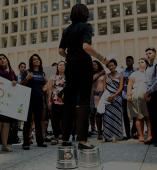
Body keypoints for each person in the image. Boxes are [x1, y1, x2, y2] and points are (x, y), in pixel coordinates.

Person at [59, 4, 107, 149]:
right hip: (83, 66)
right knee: (84, 102)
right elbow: (86, 46)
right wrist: (102, 58)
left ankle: (65, 139)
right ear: (84, 14)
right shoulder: (86, 27)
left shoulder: (67, 30)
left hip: (70, 66)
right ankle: (82, 140)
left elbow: (61, 51)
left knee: (69, 102)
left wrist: (70, 57)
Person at [21, 54, 47, 150]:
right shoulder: (27, 72)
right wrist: (27, 78)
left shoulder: (42, 73)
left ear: (40, 61)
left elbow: (44, 88)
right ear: (31, 62)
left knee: (38, 121)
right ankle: (26, 142)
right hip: (29, 99)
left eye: (37, 59)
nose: (36, 60)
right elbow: (21, 85)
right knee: (27, 121)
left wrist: (46, 83)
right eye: (34, 59)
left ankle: (40, 141)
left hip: (39, 99)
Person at [127, 58, 152, 143]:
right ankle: (140, 135)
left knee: (148, 117)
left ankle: (149, 135)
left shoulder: (149, 73)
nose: (140, 63)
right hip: (136, 98)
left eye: (142, 62)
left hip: (146, 98)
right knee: (138, 117)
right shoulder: (134, 74)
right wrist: (129, 95)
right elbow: (129, 85)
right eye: (139, 62)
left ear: (146, 63)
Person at [102, 59, 124, 142]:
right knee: (107, 117)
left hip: (117, 98)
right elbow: (104, 87)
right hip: (107, 98)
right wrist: (107, 96)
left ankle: (117, 135)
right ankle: (107, 136)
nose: (111, 67)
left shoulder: (120, 75)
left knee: (116, 116)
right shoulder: (106, 76)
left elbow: (121, 88)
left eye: (112, 65)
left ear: (115, 65)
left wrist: (114, 95)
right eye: (109, 66)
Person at [0, 54, 17, 152]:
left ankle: (4, 145)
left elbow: (15, 86)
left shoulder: (11, 72)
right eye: (0, 59)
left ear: (7, 60)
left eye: (3, 58)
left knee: (6, 124)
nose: (2, 60)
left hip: (8, 102)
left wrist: (15, 82)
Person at [47, 61, 65, 145]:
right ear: (57, 67)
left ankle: (63, 135)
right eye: (60, 65)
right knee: (55, 120)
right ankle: (55, 136)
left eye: (63, 65)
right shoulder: (53, 77)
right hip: (55, 100)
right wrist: (49, 101)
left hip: (65, 101)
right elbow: (50, 90)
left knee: (64, 119)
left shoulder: (69, 77)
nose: (61, 66)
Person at [90, 60, 106, 140]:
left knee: (103, 113)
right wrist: (100, 73)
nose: (94, 66)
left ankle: (105, 131)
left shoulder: (104, 73)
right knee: (96, 113)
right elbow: (91, 80)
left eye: (95, 64)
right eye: (92, 65)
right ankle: (98, 132)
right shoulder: (91, 74)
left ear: (99, 65)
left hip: (103, 94)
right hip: (94, 95)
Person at [144, 47, 157, 146]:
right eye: (147, 53)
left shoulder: (156, 65)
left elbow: (156, 82)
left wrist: (148, 92)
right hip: (149, 94)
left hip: (154, 93)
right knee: (152, 117)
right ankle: (153, 137)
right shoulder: (148, 67)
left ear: (155, 54)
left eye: (150, 53)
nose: (148, 55)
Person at [121, 56, 136, 139]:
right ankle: (127, 134)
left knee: (134, 114)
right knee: (125, 115)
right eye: (127, 61)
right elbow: (122, 84)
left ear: (133, 62)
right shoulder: (123, 72)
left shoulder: (136, 71)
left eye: (129, 61)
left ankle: (133, 131)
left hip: (133, 94)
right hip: (124, 95)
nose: (128, 62)